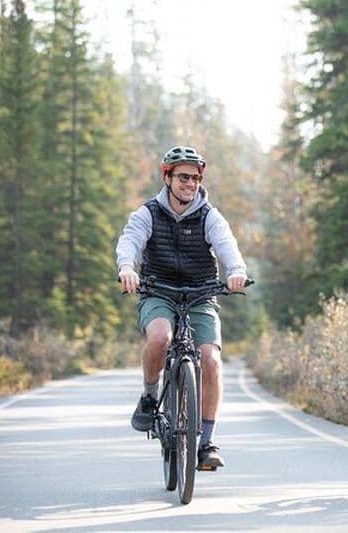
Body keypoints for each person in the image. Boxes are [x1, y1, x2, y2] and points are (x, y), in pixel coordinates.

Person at [116, 145, 248, 470]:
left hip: (201, 294)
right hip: (158, 291)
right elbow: (130, 240)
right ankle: (150, 396)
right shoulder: (148, 213)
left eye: (195, 178)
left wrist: (236, 271)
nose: (190, 184)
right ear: (168, 178)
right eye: (183, 177)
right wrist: (127, 268)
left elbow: (226, 245)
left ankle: (206, 442)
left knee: (211, 361)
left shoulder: (209, 215)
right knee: (160, 337)